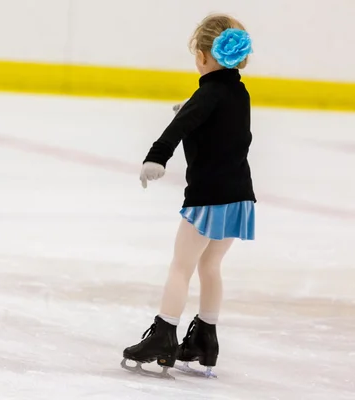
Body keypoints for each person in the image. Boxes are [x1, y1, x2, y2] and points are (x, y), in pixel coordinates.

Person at [121, 14, 257, 379]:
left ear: (201, 56)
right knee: (210, 266)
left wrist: (156, 157)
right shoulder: (238, 92)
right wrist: (193, 109)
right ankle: (205, 340)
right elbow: (225, 127)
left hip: (208, 197)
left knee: (181, 266)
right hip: (240, 196)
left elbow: (180, 127)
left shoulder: (208, 93)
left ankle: (163, 337)